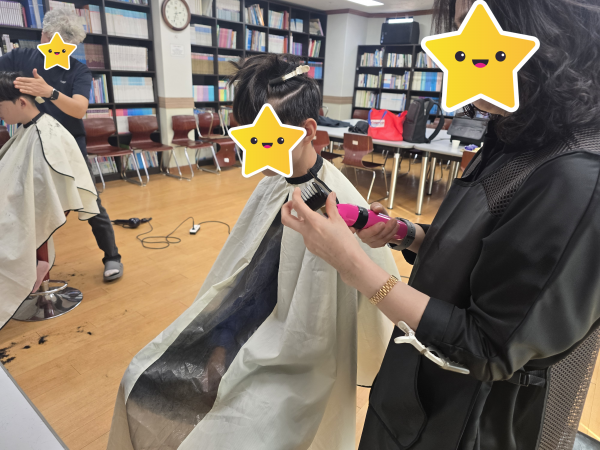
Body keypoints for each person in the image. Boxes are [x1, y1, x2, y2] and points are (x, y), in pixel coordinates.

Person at [281, 0, 600, 449]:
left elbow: (488, 347)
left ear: (548, 32)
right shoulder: (517, 131)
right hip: (418, 380)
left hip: (472, 418)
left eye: (477, 32)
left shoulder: (576, 176)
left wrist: (352, 265)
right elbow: (488, 252)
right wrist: (407, 235)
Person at [107, 54, 398, 450]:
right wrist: (222, 344)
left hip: (300, 362)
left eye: (266, 139)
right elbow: (248, 284)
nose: (252, 152)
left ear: (307, 130)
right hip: (245, 331)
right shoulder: (273, 186)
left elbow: (323, 327)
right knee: (137, 379)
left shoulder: (338, 207)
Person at [0, 9, 123, 281]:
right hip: (31, 142)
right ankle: (29, 266)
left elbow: (79, 109)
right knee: (22, 205)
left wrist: (50, 92)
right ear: (44, 35)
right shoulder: (21, 58)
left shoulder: (78, 70)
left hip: (68, 145)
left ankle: (112, 256)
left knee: (90, 202)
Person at [0, 71, 99, 329]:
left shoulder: (47, 133)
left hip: (31, 210)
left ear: (22, 102)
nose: (0, 114)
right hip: (22, 205)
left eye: (0, 106)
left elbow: (43, 194)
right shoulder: (29, 130)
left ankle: (36, 268)